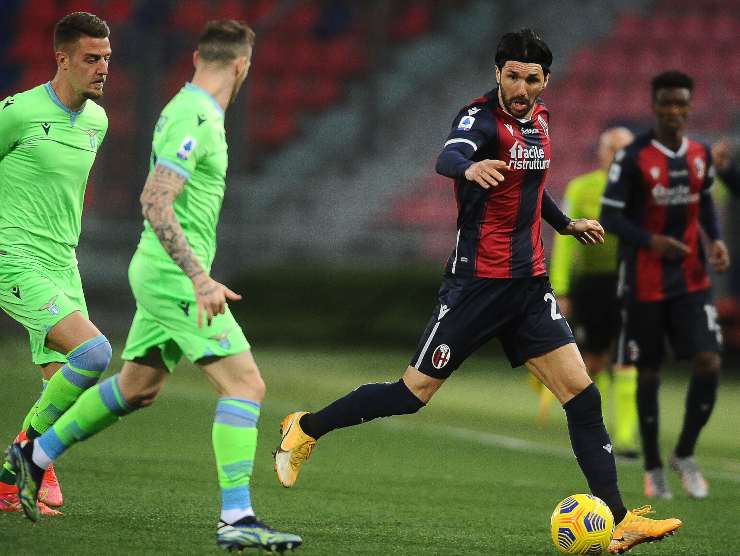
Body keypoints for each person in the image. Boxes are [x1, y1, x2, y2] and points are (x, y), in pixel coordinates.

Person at [274, 29, 680, 554]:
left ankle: (620, 522)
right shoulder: (481, 119)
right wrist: (470, 166)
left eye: (531, 78)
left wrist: (564, 224)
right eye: (512, 75)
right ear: (498, 74)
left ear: (545, 81)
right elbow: (448, 156)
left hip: (528, 286)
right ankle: (304, 427)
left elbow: (532, 187)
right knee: (410, 395)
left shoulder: (541, 121)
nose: (521, 86)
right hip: (476, 287)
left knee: (582, 396)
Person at [9, 20, 302, 552]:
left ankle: (32, 456)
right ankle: (237, 521)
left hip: (140, 268)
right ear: (242, 66)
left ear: (196, 57)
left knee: (135, 388)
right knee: (245, 386)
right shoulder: (193, 117)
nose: (103, 68)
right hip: (173, 276)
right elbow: (154, 199)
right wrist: (198, 277)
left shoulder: (181, 113)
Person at [0, 12, 113, 516]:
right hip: (12, 256)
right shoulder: (17, 112)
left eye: (107, 58)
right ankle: (16, 469)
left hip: (62, 261)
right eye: (91, 59)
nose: (102, 68)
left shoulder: (97, 121)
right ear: (61, 59)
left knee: (61, 387)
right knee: (92, 354)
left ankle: (33, 472)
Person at [601, 71, 730, 500]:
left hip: (692, 279)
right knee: (649, 372)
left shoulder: (699, 153)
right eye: (667, 104)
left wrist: (716, 241)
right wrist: (650, 240)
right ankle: (653, 466)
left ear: (690, 106)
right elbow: (611, 217)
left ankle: (685, 453)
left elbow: (705, 201)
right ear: (654, 106)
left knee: (709, 361)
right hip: (645, 281)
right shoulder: (633, 157)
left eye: (681, 104)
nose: (675, 111)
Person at [546, 127, 639, 457]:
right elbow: (564, 244)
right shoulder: (581, 188)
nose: (618, 155)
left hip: (630, 282)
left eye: (625, 149)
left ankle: (627, 439)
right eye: (612, 148)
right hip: (592, 285)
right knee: (593, 360)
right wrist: (562, 289)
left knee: (628, 357)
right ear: (600, 153)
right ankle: (591, 430)